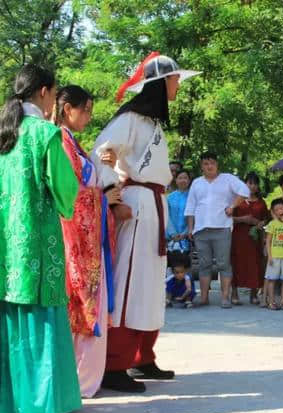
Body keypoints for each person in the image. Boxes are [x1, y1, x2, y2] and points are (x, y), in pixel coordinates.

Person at [92, 53, 199, 392]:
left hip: (154, 204)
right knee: (129, 283)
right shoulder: (130, 119)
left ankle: (142, 355)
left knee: (150, 283)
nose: (178, 84)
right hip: (136, 203)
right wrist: (113, 193)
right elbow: (101, 151)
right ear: (160, 82)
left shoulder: (151, 122)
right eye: (174, 79)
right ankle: (114, 363)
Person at [0, 64, 81, 413]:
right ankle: (39, 405)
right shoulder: (45, 134)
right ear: (44, 92)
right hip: (37, 247)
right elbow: (65, 189)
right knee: (38, 311)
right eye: (55, 94)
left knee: (2, 311)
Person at [55, 85, 119, 398]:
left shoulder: (72, 143)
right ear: (67, 108)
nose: (89, 117)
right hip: (77, 239)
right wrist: (103, 197)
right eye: (86, 110)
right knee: (81, 306)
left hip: (85, 237)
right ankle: (80, 382)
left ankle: (82, 380)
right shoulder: (61, 143)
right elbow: (73, 195)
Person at [185, 152, 250, 308]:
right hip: (201, 229)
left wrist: (232, 206)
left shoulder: (228, 178)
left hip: (222, 227)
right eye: (206, 164)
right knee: (204, 264)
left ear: (217, 164)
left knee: (223, 264)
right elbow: (191, 207)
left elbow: (245, 191)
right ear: (201, 166)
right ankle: (204, 297)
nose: (209, 166)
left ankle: (225, 298)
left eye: (212, 163)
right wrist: (190, 227)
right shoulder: (197, 182)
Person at [231, 172, 269, 305]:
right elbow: (228, 217)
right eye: (250, 183)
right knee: (236, 263)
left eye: (255, 183)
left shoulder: (261, 202)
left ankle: (254, 294)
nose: (252, 186)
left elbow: (266, 219)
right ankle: (234, 293)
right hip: (238, 236)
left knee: (255, 263)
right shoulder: (237, 199)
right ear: (244, 183)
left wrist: (261, 223)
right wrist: (243, 219)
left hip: (255, 238)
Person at [166, 169, 192, 268]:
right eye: (180, 178)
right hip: (171, 238)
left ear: (189, 180)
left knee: (186, 266)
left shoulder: (193, 197)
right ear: (175, 180)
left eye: (185, 178)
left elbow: (194, 216)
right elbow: (166, 216)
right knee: (171, 266)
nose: (183, 180)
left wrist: (184, 233)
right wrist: (173, 233)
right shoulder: (169, 197)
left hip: (187, 237)